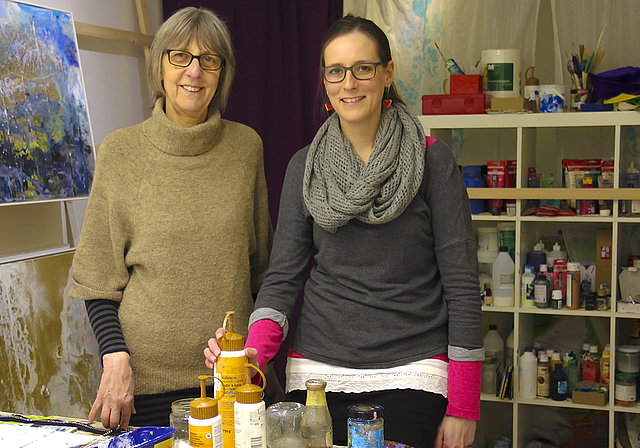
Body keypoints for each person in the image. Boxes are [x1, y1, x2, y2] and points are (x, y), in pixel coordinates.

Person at [205, 14, 483, 448]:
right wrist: (254, 355)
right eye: (335, 71)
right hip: (316, 374)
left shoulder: (433, 161)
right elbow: (281, 280)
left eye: (363, 68)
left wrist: (464, 405)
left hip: (413, 371)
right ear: (325, 80)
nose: (348, 83)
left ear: (387, 74)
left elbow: (463, 287)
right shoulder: (306, 166)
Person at [69, 7, 281, 429]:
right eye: (179, 56)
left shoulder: (245, 149)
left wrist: (259, 356)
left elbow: (266, 274)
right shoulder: (121, 152)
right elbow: (97, 279)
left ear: (222, 73)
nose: (194, 71)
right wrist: (115, 359)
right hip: (144, 390)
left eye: (209, 59)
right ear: (159, 66)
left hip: (234, 385)